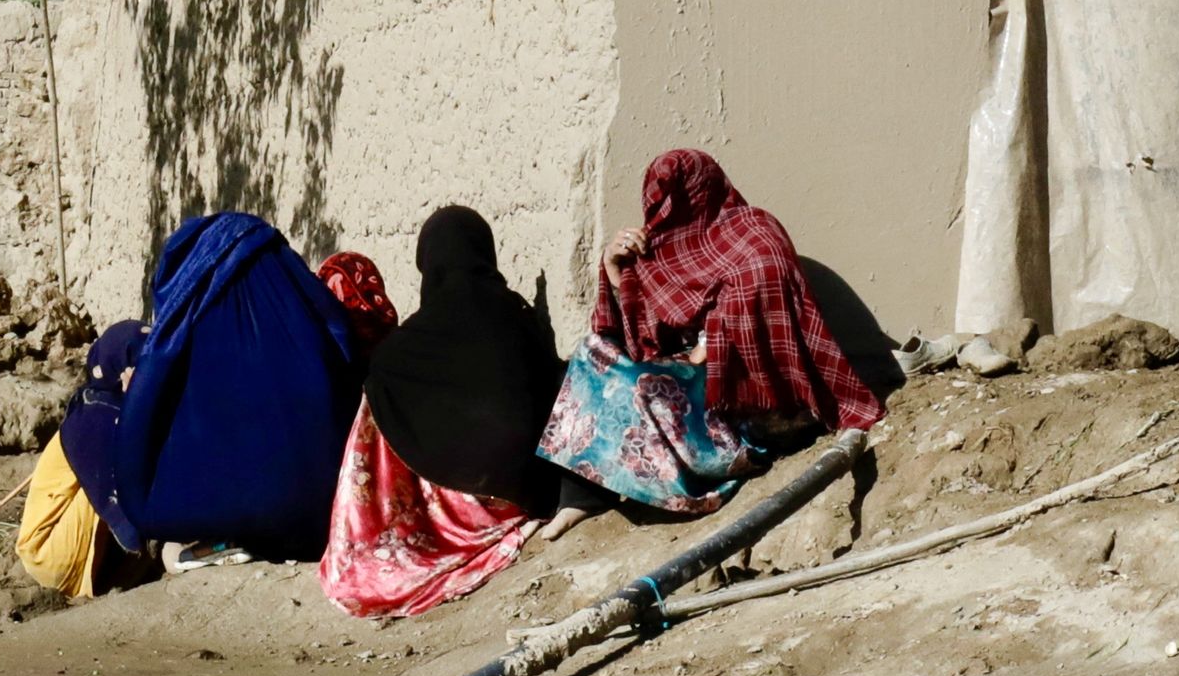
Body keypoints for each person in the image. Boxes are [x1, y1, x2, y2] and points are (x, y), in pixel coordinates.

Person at [545, 148, 881, 512]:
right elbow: (642, 339)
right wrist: (615, 268)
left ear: (699, 192)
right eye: (655, 203)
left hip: (756, 407)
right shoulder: (671, 251)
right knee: (591, 354)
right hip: (698, 379)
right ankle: (581, 500)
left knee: (645, 389)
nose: (661, 214)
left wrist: (701, 348)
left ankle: (682, 482)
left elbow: (737, 330)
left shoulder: (754, 236)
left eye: (671, 200)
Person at [323, 208, 586, 619]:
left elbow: (381, 382)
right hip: (528, 494)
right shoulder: (520, 318)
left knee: (376, 398)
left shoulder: (403, 349)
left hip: (463, 507)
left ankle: (380, 532)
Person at [106, 212, 365, 563]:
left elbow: (137, 429)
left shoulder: (178, 334)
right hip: (318, 507)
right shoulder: (299, 297)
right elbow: (344, 344)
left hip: (211, 510)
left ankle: (227, 540)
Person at [15, 320, 143, 603]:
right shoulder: (95, 418)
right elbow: (110, 486)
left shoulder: (104, 408)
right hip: (47, 553)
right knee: (124, 470)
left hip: (60, 545)